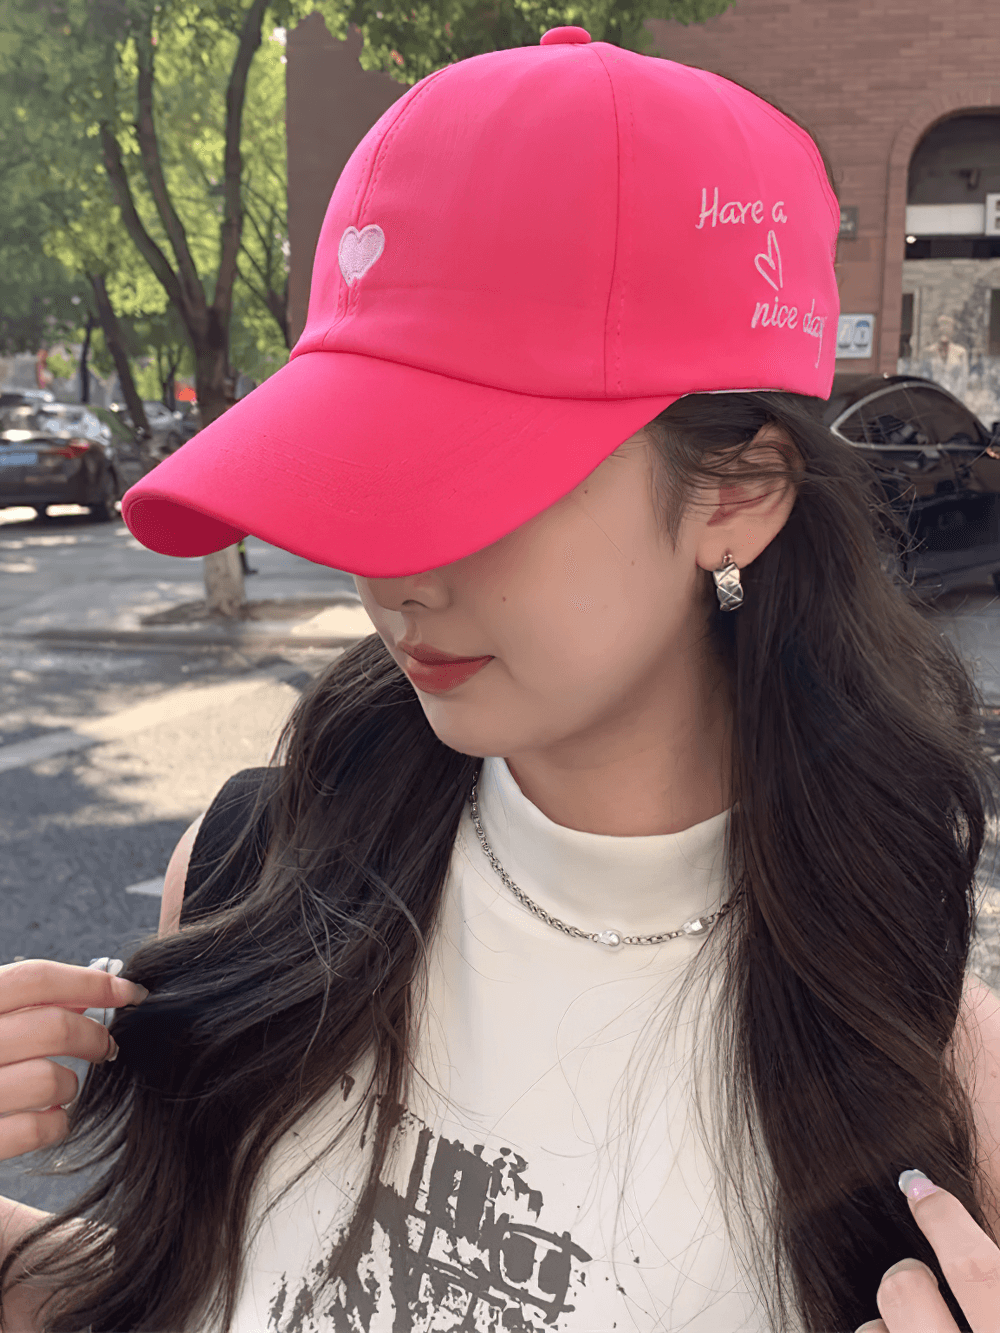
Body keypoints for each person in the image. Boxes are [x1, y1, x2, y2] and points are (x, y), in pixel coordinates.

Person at [2, 26, 1000, 1333]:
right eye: (361, 470)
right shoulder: (260, 865)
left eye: (474, 480)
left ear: (741, 489)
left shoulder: (922, 1072)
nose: (396, 573)